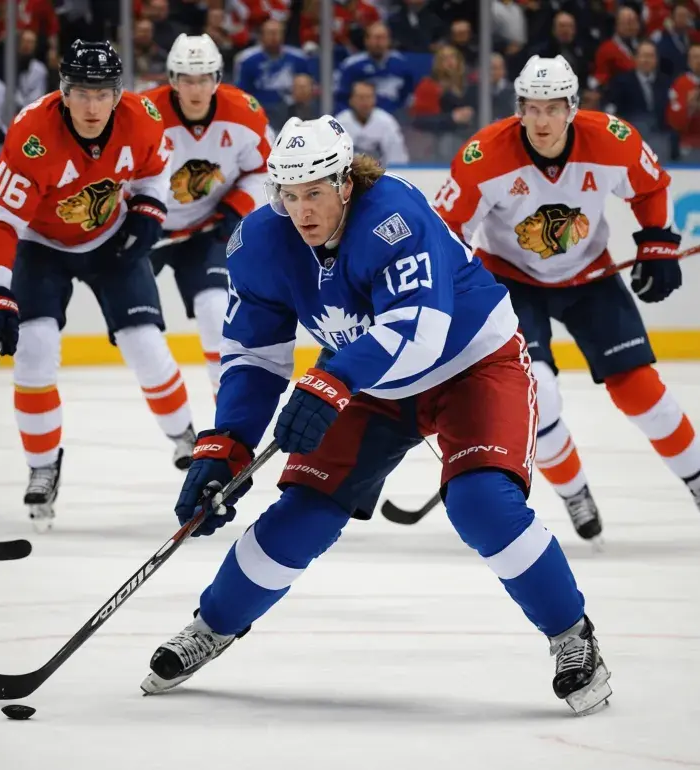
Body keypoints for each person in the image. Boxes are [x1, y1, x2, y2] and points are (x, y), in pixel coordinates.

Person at [139, 115, 612, 716]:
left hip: (472, 361)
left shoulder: (393, 213)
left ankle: (573, 637)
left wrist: (332, 379)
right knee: (302, 512)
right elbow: (255, 358)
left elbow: (420, 329)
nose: (302, 210)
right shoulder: (259, 242)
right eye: (289, 194)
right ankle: (215, 623)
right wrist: (224, 446)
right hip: (369, 378)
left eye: (315, 192)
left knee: (482, 503)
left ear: (344, 184)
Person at [434, 55, 700, 543]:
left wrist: (657, 242)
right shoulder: (484, 156)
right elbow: (446, 229)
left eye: (552, 108)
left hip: (590, 275)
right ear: (519, 108)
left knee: (643, 392)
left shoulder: (612, 140)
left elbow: (651, 188)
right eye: (531, 108)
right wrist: (460, 290)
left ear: (572, 107)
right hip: (511, 283)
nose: (541, 120)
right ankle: (575, 491)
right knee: (541, 392)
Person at [0, 40, 195, 529]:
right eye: (81, 93)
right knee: (33, 350)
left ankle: (187, 439)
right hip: (41, 245)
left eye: (103, 93)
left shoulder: (143, 119)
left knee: (146, 345)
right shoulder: (33, 135)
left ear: (118, 93)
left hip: (110, 241)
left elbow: (156, 171)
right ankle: (42, 466)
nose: (92, 106)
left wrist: (149, 211)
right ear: (63, 92)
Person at [142, 34, 272, 397]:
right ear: (172, 79)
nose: (195, 88)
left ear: (217, 78)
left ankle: (227, 411)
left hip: (207, 230)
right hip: (148, 228)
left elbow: (264, 170)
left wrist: (237, 207)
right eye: (186, 78)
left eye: (203, 78)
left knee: (216, 309)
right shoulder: (143, 114)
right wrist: (136, 215)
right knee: (137, 332)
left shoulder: (245, 113)